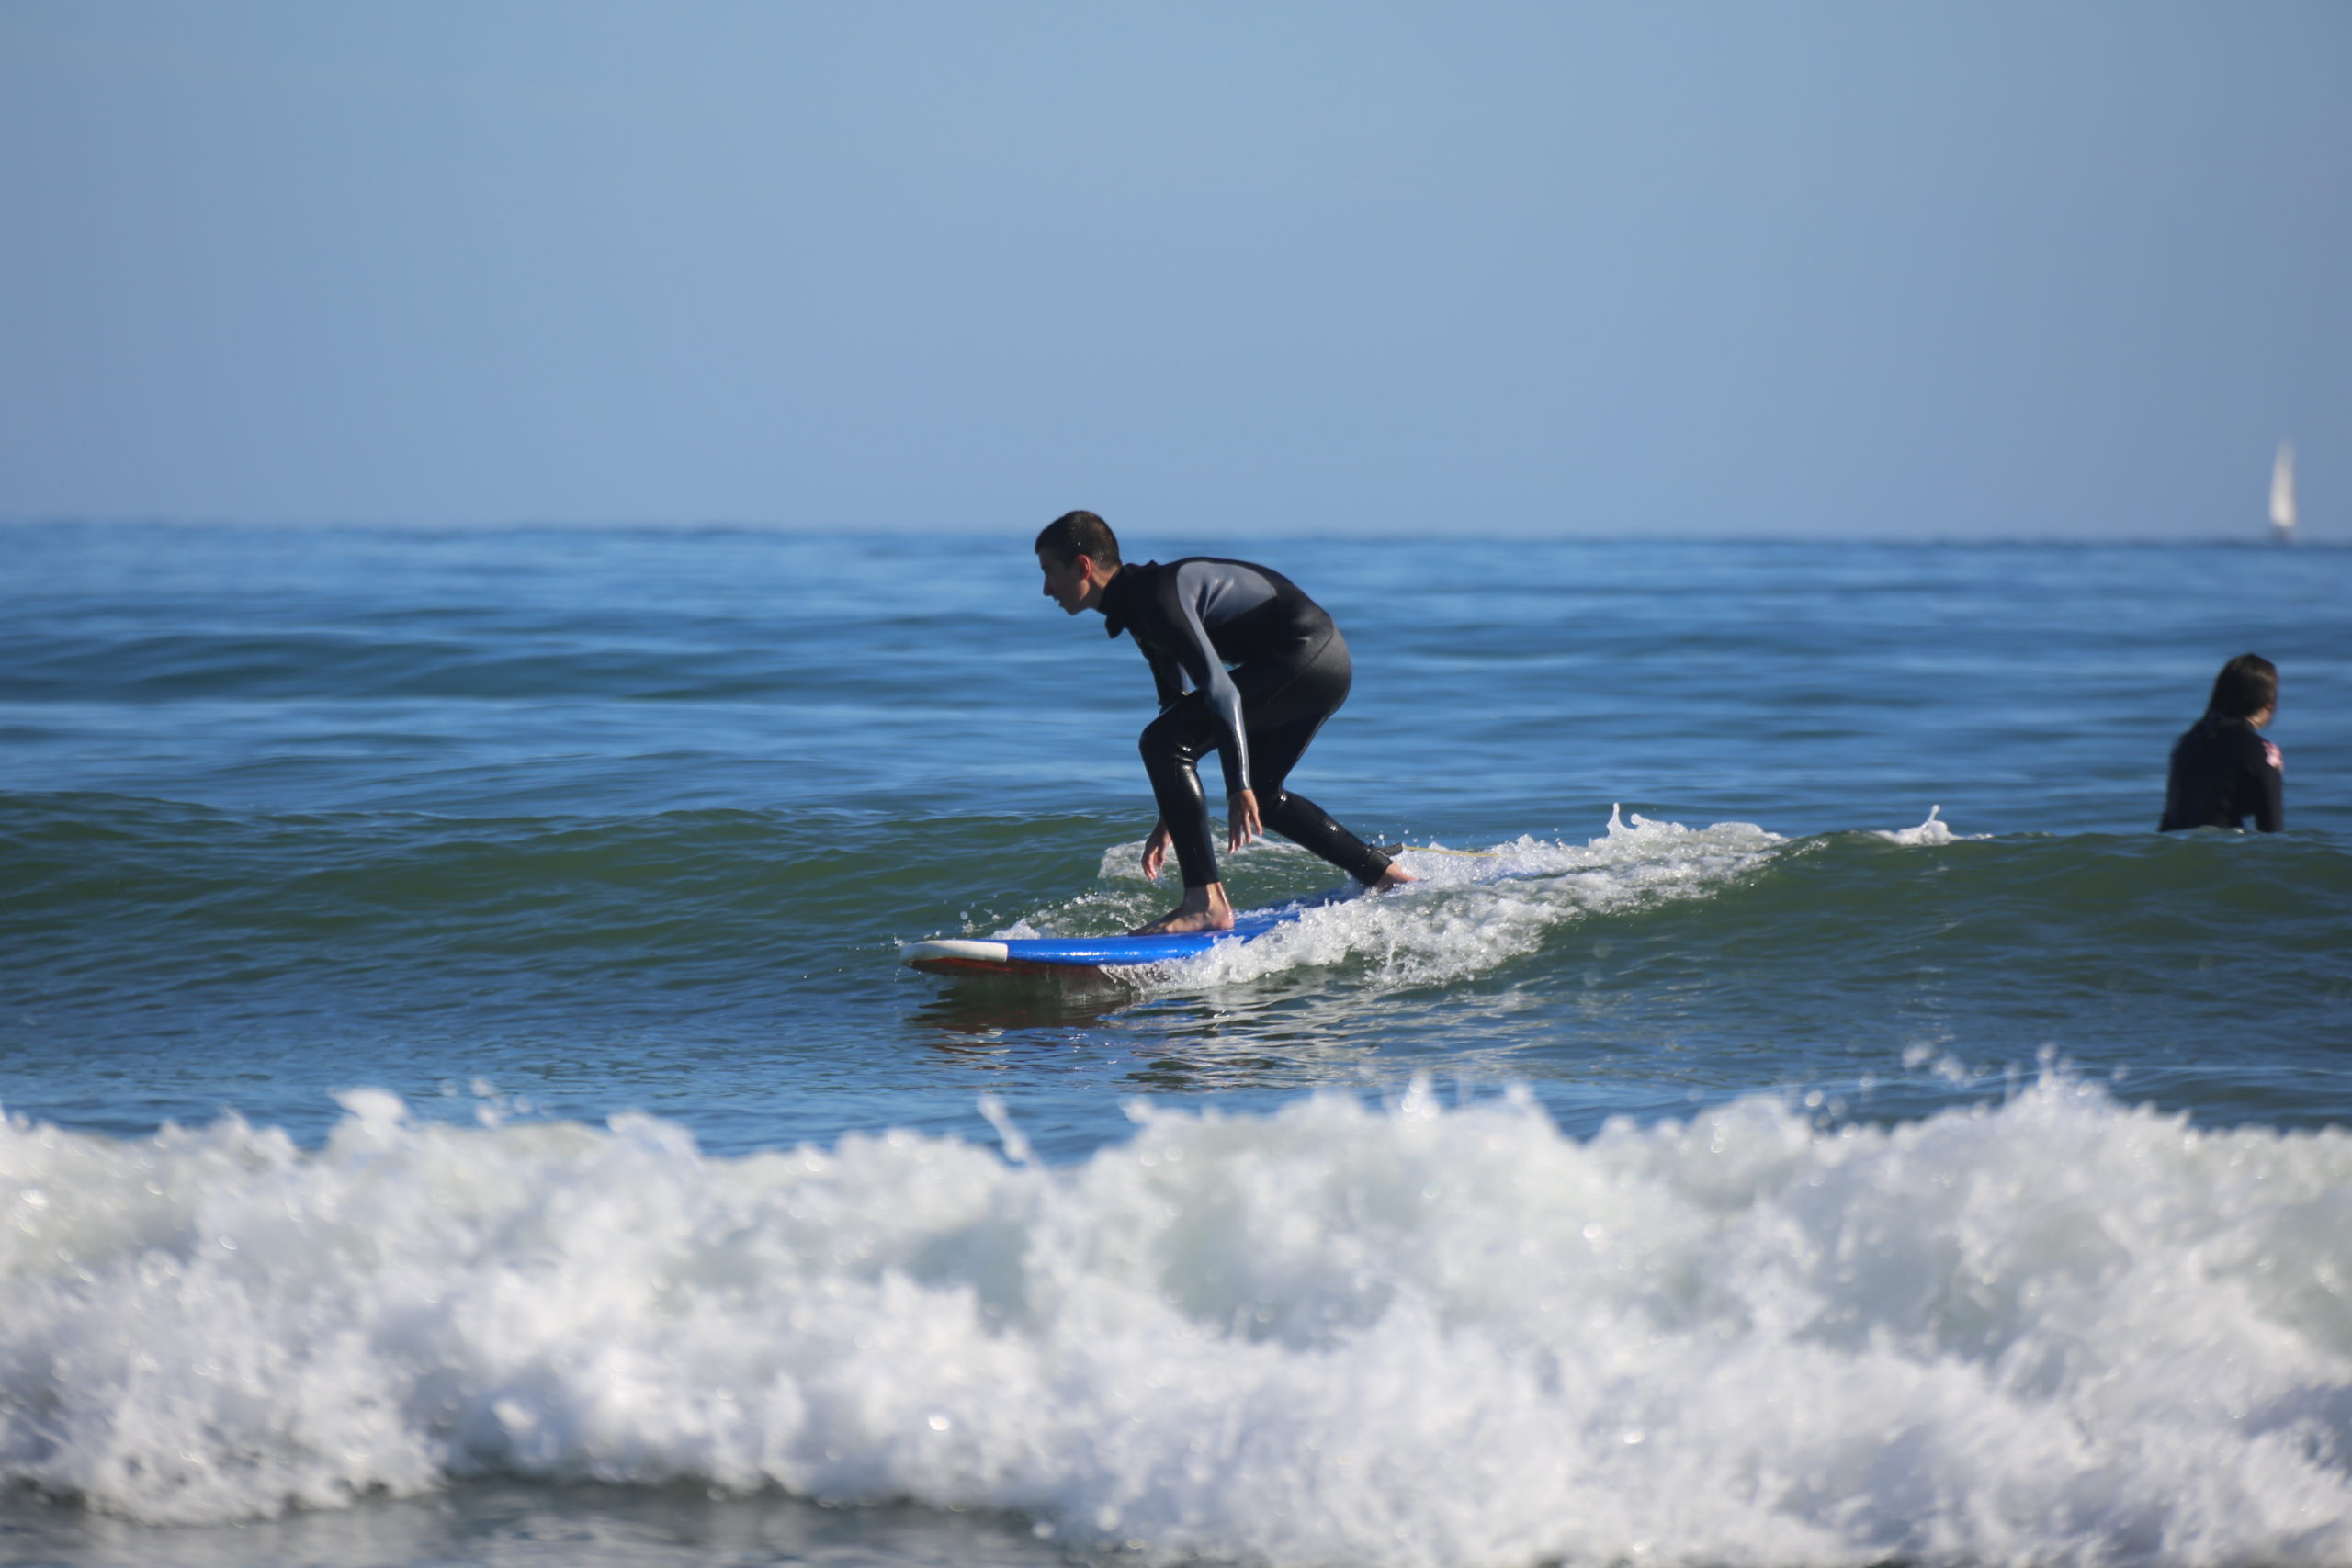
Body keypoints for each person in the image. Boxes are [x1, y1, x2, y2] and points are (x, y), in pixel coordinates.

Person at [1035, 510, 1415, 934]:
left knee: (1165, 744)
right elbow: (1177, 715)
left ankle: (1206, 903)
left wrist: (1238, 786)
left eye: (1050, 571)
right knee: (1263, 794)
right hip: (1323, 663)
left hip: (1305, 657)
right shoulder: (1138, 607)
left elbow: (1221, 692)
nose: (1047, 588)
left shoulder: (1155, 599)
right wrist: (1171, 818)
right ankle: (1383, 876)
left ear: (1083, 566)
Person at [2159, 653, 2284, 833]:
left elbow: (2169, 823)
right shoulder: (2263, 751)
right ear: (2269, 704)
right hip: (2226, 854)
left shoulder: (2186, 744)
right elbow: (2272, 830)